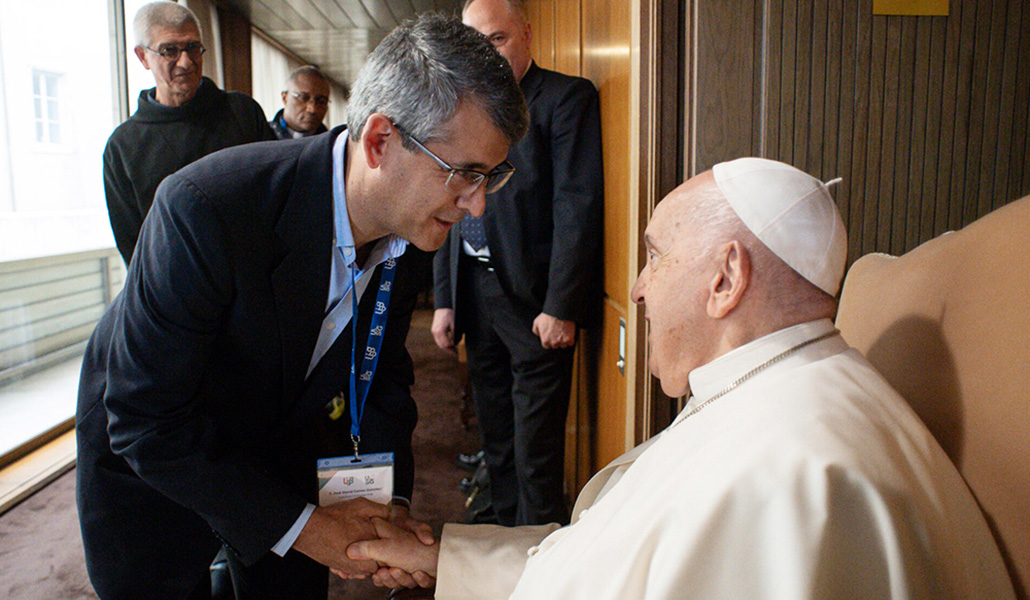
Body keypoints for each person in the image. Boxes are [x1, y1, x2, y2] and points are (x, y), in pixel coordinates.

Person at [348, 158, 1017, 600]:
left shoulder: (791, 471)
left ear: (726, 279)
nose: (637, 289)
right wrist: (453, 560)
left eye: (656, 256)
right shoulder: (789, 386)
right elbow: (615, 563)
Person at [75, 13, 527, 600]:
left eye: (489, 178)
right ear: (380, 141)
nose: (477, 207)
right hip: (156, 461)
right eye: (464, 175)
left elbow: (383, 375)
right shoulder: (205, 207)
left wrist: (383, 502)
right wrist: (308, 529)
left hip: (283, 446)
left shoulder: (412, 225)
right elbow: (145, 420)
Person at [432, 0, 604, 527]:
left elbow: (576, 203)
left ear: (527, 34)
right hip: (474, 292)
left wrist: (562, 305)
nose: (487, 53)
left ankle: (540, 561)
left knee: (537, 455)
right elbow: (446, 201)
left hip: (534, 301)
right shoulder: (461, 109)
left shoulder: (564, 99)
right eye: (475, 43)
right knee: (497, 440)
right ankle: (506, 542)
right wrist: (443, 300)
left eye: (498, 39)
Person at [103, 1, 275, 266]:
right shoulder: (123, 147)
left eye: (193, 47)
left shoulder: (242, 112)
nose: (185, 62)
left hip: (254, 281)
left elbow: (280, 197)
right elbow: (134, 249)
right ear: (142, 57)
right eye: (169, 50)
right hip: (178, 296)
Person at [269, 66, 332, 140]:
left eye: (321, 101)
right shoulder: (261, 138)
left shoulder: (331, 146)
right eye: (303, 98)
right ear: (285, 98)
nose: (312, 109)